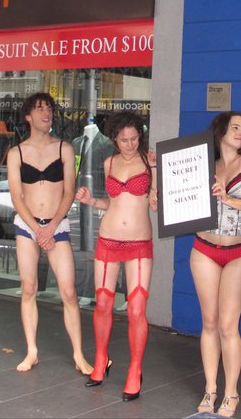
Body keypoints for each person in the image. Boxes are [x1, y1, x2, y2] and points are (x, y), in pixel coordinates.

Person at [6, 93, 92, 375]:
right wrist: (37, 229)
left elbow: (69, 192)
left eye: (50, 109)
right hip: (27, 225)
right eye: (40, 109)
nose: (47, 113)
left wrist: (52, 227)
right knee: (29, 287)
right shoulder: (16, 153)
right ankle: (32, 351)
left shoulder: (65, 148)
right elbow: (17, 197)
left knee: (69, 291)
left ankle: (79, 354)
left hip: (57, 225)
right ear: (28, 117)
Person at [191, 111, 241, 418]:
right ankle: (210, 388)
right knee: (209, 322)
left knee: (227, 324)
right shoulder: (204, 163)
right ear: (220, 131)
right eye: (235, 127)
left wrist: (230, 200)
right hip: (204, 248)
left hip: (239, 251)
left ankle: (231, 392)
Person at [76, 111, 158, 402]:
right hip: (108, 240)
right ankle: (101, 360)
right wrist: (90, 200)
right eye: (124, 140)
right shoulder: (108, 163)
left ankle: (135, 369)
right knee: (102, 304)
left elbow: (156, 205)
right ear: (114, 139)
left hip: (139, 243)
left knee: (136, 309)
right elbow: (111, 203)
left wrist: (157, 194)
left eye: (134, 138)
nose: (130, 144)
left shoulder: (150, 163)